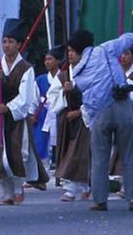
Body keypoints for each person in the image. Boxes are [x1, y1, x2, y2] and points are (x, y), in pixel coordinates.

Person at [0, 19, 49, 205]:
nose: (6, 45)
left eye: (10, 42)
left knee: (16, 153)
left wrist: (9, 107)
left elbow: (26, 97)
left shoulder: (26, 69)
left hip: (15, 118)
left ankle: (17, 187)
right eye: (4, 41)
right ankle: (4, 192)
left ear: (19, 45)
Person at [70, 29, 133, 212]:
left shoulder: (77, 73)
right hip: (121, 105)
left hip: (98, 115)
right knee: (129, 154)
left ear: (78, 49)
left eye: (71, 50)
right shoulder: (105, 49)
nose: (69, 55)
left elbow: (87, 95)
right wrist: (125, 35)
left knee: (99, 158)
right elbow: (131, 39)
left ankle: (100, 200)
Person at [48, 40, 90, 202]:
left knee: (79, 152)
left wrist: (80, 111)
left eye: (74, 51)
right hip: (67, 119)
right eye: (69, 51)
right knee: (69, 151)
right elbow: (52, 97)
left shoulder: (89, 73)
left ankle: (73, 188)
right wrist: (64, 95)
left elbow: (95, 95)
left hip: (84, 119)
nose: (70, 54)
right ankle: (79, 186)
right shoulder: (63, 76)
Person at [110, 46, 133, 179]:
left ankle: (130, 180)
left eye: (126, 53)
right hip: (115, 113)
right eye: (121, 54)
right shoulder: (114, 73)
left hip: (132, 114)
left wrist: (125, 83)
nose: (123, 57)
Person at [34, 46, 62, 168]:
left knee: (59, 140)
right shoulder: (40, 80)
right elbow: (34, 98)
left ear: (58, 61)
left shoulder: (64, 77)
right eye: (46, 59)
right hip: (43, 114)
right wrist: (33, 113)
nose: (47, 62)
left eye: (50, 59)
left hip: (58, 112)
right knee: (40, 142)